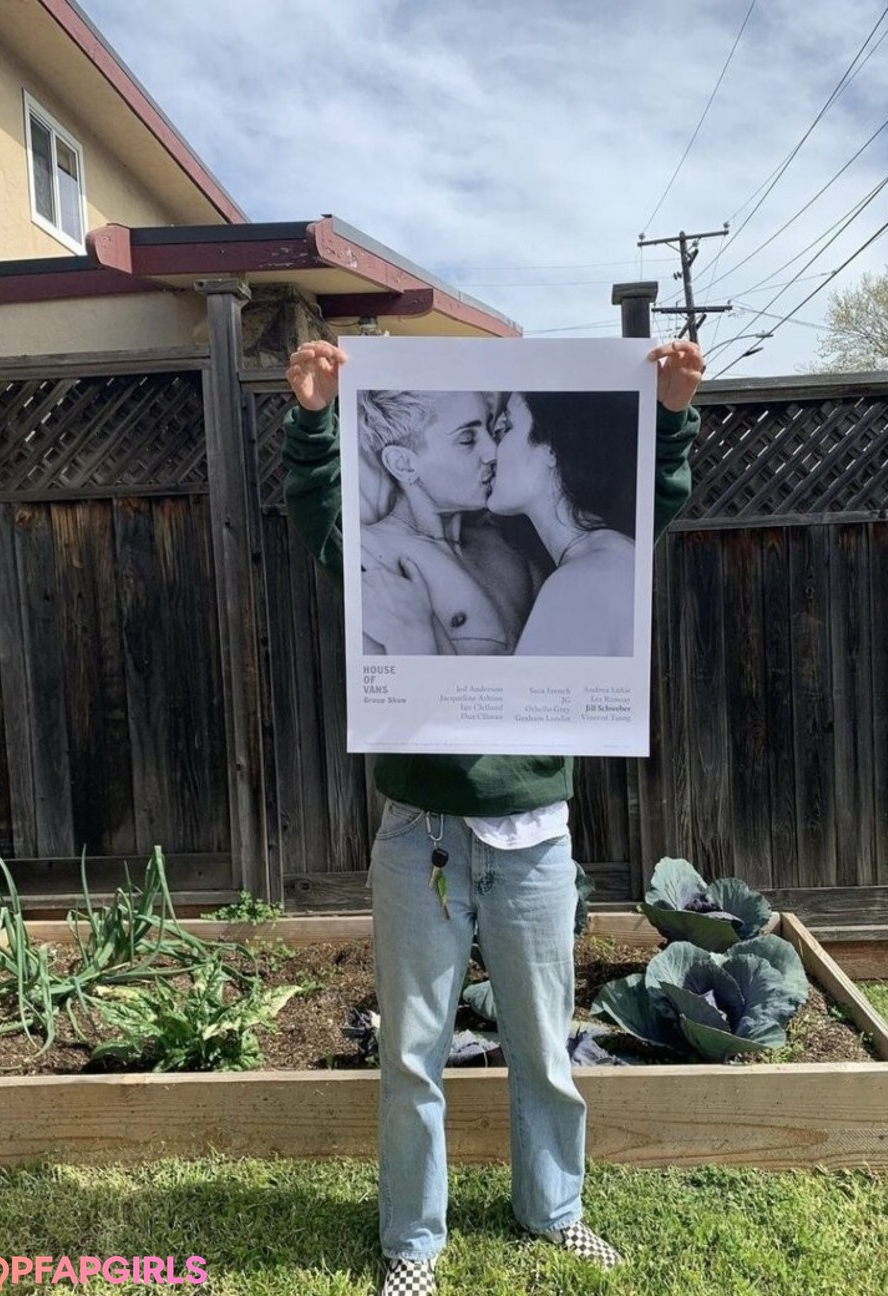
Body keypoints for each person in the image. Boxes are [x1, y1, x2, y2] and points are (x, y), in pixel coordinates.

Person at [282, 336, 703, 1296]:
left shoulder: (516, 551)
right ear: (404, 458)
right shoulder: (384, 556)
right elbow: (321, 518)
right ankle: (413, 1245)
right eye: (470, 432)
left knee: (546, 1047)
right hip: (420, 832)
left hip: (535, 835)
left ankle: (554, 1211)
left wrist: (671, 420)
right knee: (411, 1054)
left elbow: (646, 511)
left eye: (495, 430)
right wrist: (312, 422)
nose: (485, 450)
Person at [356, 389, 537, 655]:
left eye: (490, 430)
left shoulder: (508, 547)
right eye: (467, 440)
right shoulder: (368, 553)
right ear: (403, 464)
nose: (493, 452)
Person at [486, 388, 638, 655]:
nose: (489, 452)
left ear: (551, 448)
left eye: (505, 428)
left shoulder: (579, 581)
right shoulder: (613, 555)